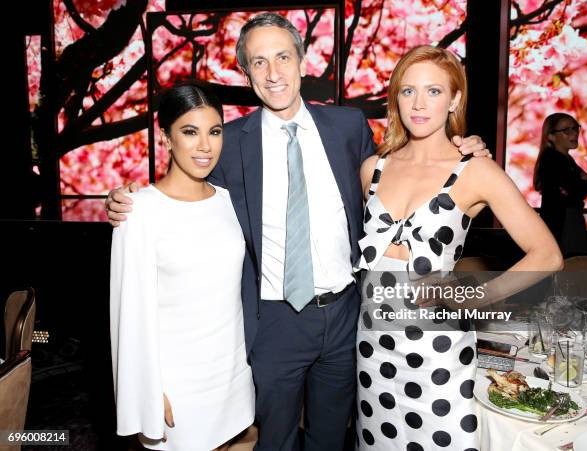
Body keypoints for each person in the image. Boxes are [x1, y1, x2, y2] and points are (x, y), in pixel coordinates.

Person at [106, 14, 490, 451]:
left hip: (348, 314)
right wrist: (126, 196)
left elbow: (402, 176)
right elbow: (185, 183)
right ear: (246, 73)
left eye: (283, 57)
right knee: (274, 440)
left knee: (331, 437)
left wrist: (466, 145)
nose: (274, 74)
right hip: (274, 321)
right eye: (259, 62)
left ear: (302, 61)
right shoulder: (228, 142)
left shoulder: (348, 128)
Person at [354, 46, 563, 450]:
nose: (418, 104)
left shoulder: (475, 170)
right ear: (395, 97)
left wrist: (474, 297)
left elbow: (548, 255)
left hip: (438, 353)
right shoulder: (373, 169)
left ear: (453, 100)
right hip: (372, 350)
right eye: (407, 91)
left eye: (433, 92)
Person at [109, 81, 255, 451]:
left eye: (215, 131)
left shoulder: (226, 200)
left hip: (231, 372)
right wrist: (146, 390)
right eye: (190, 132)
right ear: (167, 138)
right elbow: (128, 314)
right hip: (178, 382)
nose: (205, 146)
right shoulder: (139, 210)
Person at [533, 113, 587, 256]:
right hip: (563, 222)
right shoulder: (552, 159)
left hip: (568, 219)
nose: (574, 133)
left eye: (575, 128)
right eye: (566, 130)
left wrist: (582, 185)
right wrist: (583, 183)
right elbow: (578, 189)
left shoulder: (566, 159)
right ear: (550, 136)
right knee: (570, 264)